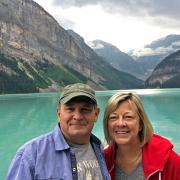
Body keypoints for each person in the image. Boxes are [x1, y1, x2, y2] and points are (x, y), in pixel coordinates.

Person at [6, 83, 110, 180]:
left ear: (96, 114)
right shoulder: (30, 155)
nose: (77, 116)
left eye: (85, 109)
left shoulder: (99, 148)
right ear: (59, 113)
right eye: (70, 109)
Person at [103, 92, 180, 180]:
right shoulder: (103, 161)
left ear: (141, 124)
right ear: (107, 124)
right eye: (113, 117)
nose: (120, 123)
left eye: (128, 117)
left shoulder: (167, 160)